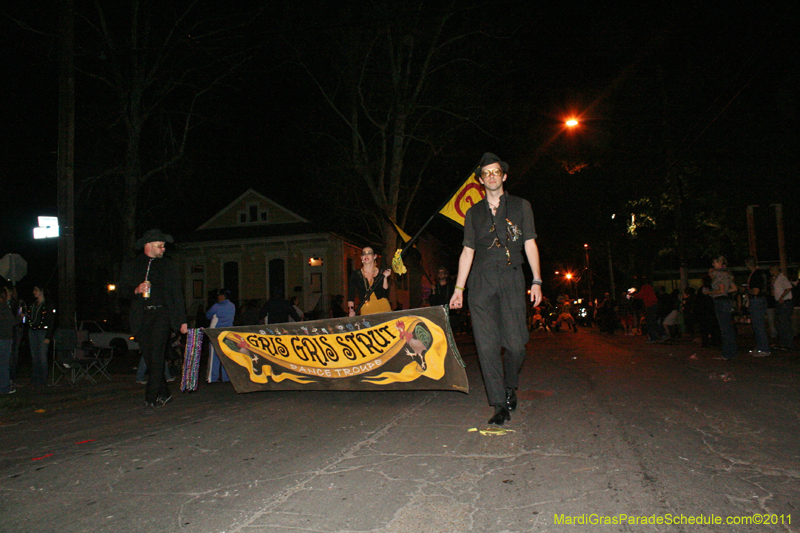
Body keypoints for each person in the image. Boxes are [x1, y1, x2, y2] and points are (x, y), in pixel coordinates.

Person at [449, 152, 542, 426]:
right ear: (480, 180)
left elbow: (530, 244)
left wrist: (536, 279)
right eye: (486, 173)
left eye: (495, 171)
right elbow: (467, 251)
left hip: (512, 278)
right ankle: (499, 403)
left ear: (504, 175)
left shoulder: (521, 206)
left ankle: (510, 384)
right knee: (487, 346)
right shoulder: (473, 213)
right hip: (481, 281)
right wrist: (458, 288)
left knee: (516, 345)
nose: (491, 176)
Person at [119, 229, 188, 415]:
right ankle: (164, 393)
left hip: (162, 315)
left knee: (157, 355)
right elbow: (121, 291)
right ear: (148, 246)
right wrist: (135, 289)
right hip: (141, 316)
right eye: (160, 246)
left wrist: (182, 320)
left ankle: (150, 397)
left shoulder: (169, 266)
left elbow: (177, 295)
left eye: (164, 246)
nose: (163, 249)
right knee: (150, 358)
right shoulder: (132, 265)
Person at [704, 256, 737, 360]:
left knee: (724, 329)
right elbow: (734, 288)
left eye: (714, 262)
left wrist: (709, 292)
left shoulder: (720, 274)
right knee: (728, 328)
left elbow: (721, 291)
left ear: (719, 263)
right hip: (725, 301)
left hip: (720, 302)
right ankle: (731, 352)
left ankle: (726, 354)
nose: (713, 265)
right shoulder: (726, 274)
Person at [347, 246, 392, 316]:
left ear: (374, 256)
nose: (366, 255)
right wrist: (351, 310)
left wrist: (385, 278)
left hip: (383, 307)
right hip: (366, 308)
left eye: (369, 253)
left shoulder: (381, 272)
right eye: (363, 254)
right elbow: (351, 294)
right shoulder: (356, 274)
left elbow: (385, 293)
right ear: (361, 257)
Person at [28, 285, 56, 386]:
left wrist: (48, 336)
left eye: (36, 290)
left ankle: (43, 379)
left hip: (42, 332)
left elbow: (51, 321)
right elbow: (30, 316)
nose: (34, 292)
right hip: (33, 331)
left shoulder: (48, 304)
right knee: (34, 355)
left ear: (41, 291)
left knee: (42, 355)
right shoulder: (33, 304)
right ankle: (35, 378)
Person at [206, 289, 236, 383]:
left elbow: (208, 315)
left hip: (216, 333)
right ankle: (226, 377)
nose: (218, 298)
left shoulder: (216, 306)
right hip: (228, 332)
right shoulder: (232, 306)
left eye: (219, 296)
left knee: (214, 356)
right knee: (225, 355)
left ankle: (212, 378)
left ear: (222, 296)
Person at [745, 256, 770, 356]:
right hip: (761, 300)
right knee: (757, 325)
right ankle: (760, 347)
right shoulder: (762, 273)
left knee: (758, 325)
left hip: (756, 300)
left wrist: (747, 291)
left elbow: (755, 291)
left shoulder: (756, 274)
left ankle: (764, 349)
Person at [769, 265, 795, 351]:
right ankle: (783, 342)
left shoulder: (782, 278)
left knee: (785, 323)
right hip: (780, 303)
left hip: (785, 302)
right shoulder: (776, 279)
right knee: (779, 323)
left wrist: (782, 297)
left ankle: (789, 344)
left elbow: (788, 287)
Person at [1, 286, 19, 395]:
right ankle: (4, 387)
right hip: (4, 339)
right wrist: (20, 318)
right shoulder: (4, 307)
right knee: (4, 364)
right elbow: (11, 322)